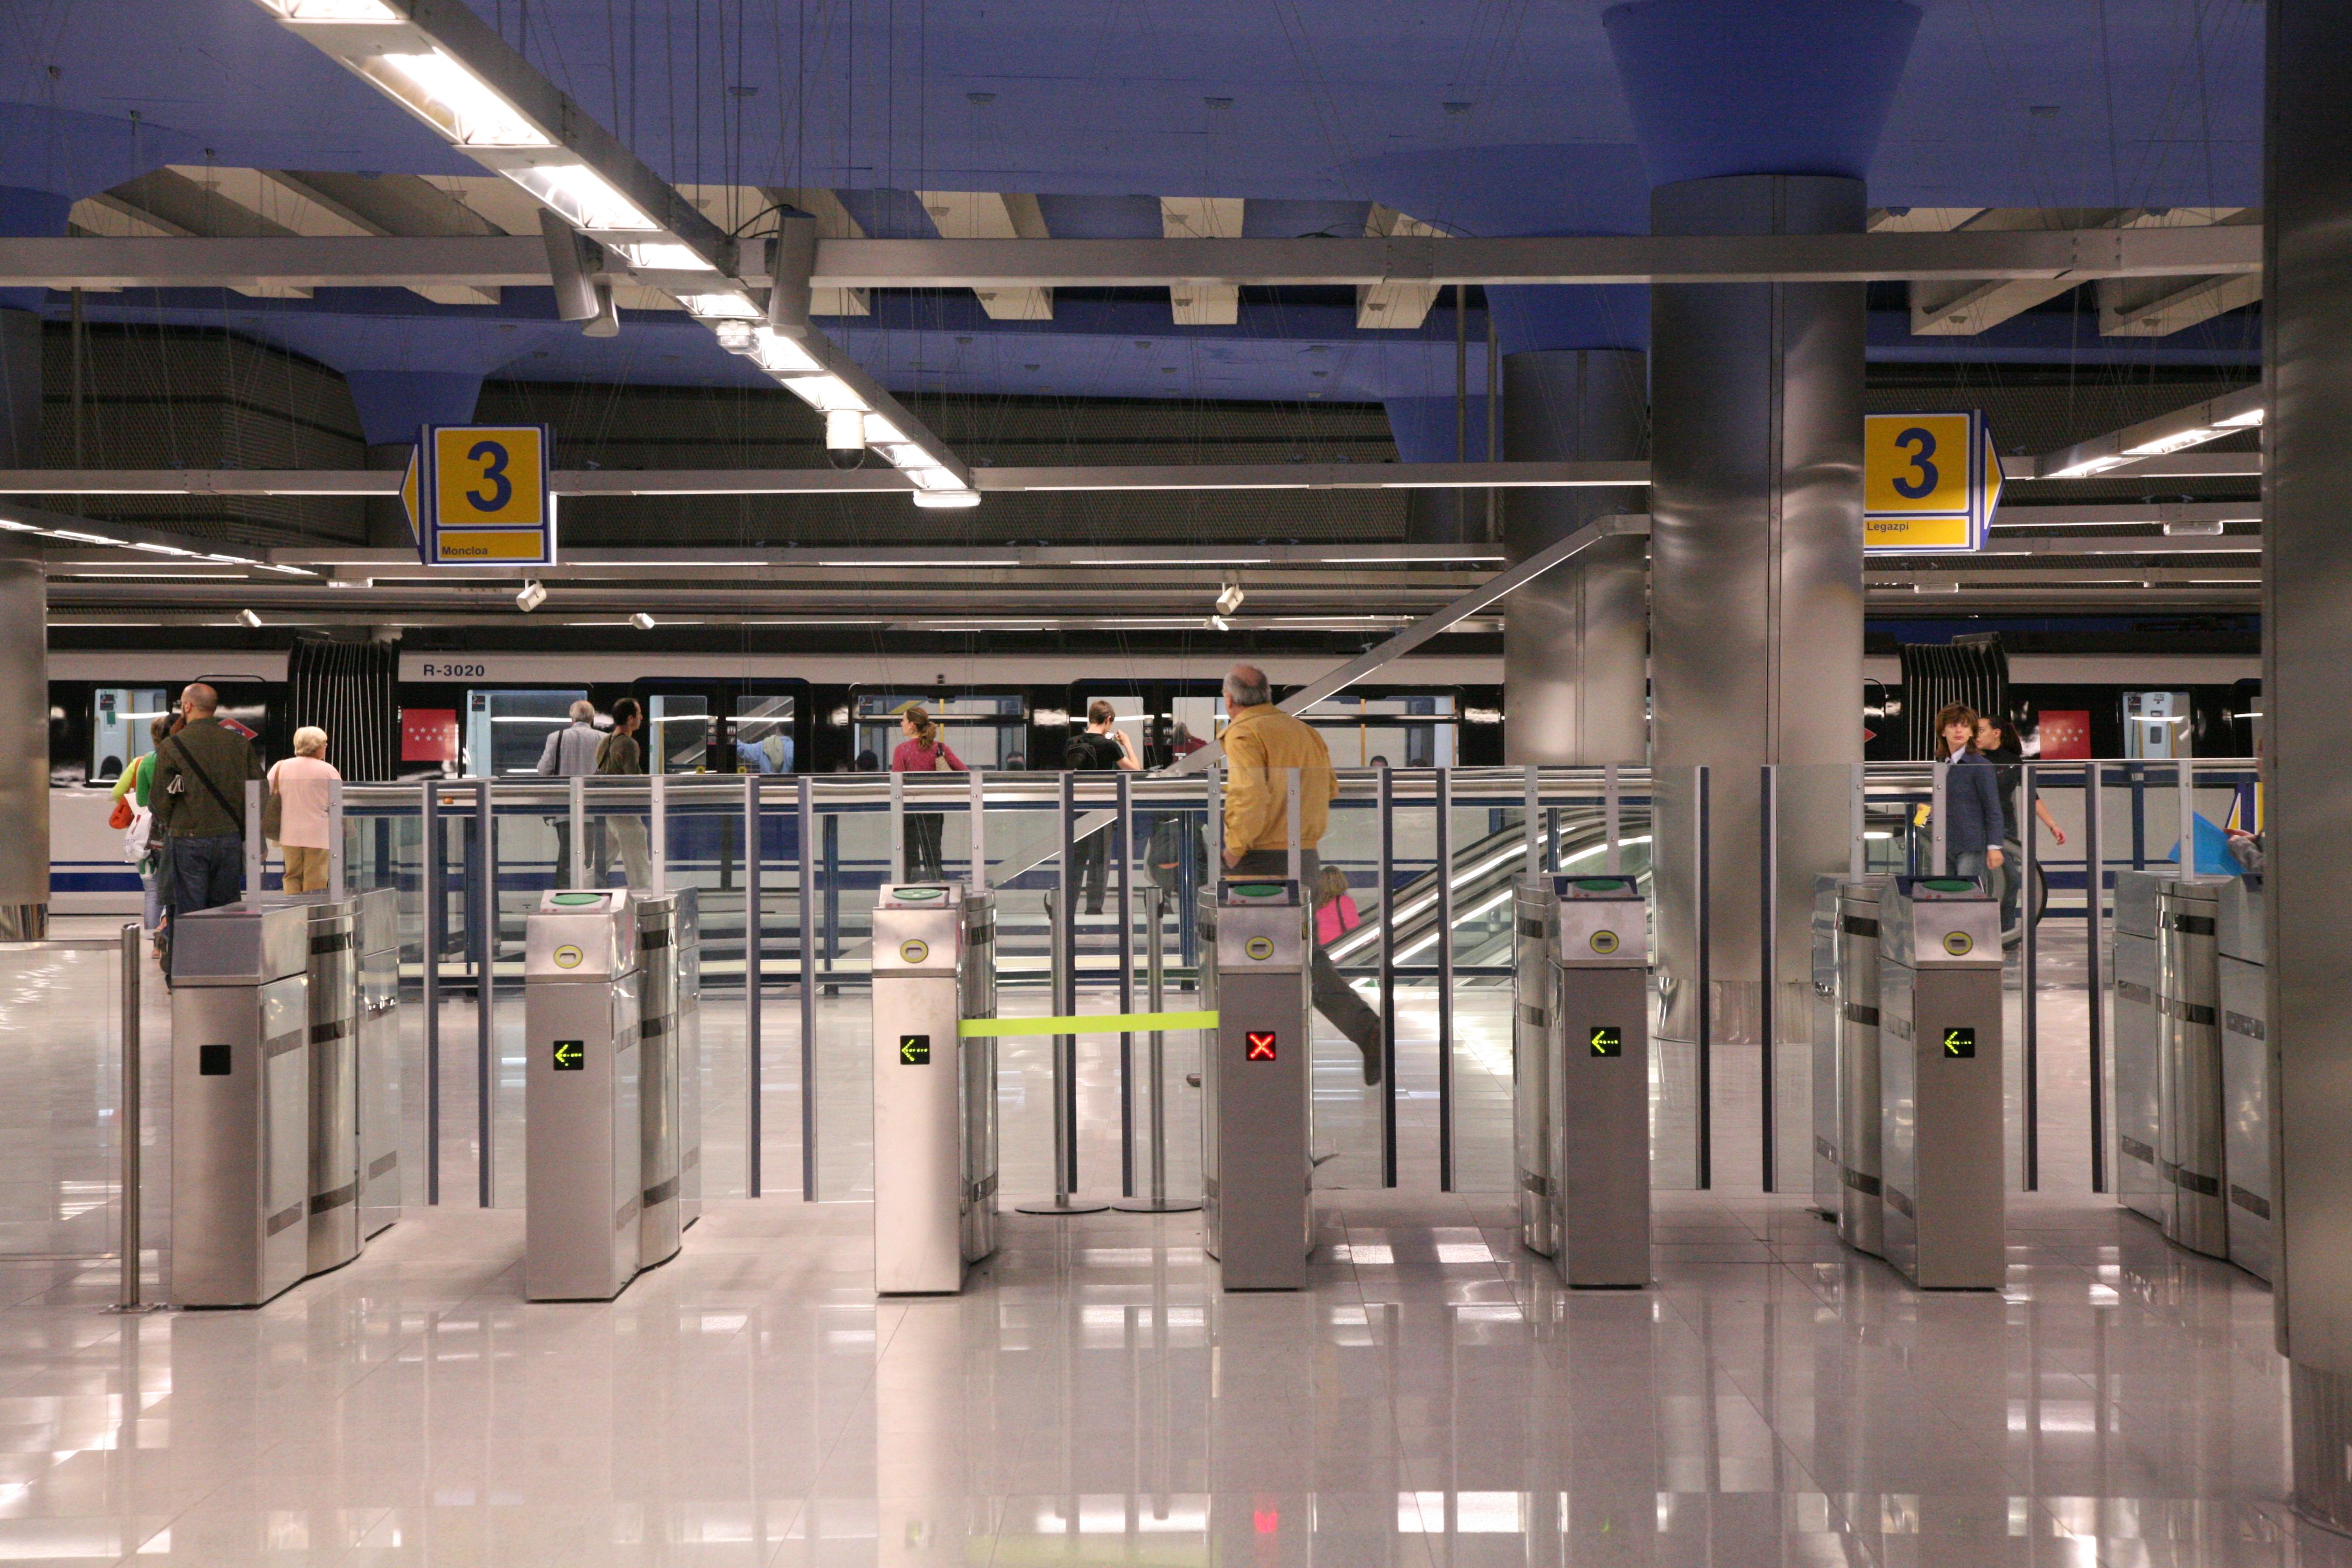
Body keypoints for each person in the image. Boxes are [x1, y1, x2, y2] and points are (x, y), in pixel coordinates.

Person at [1219, 662, 1383, 1084]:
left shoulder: (1243, 733)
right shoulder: (1302, 731)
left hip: (1259, 862)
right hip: (1305, 857)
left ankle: (1243, 1056)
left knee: (1245, 959)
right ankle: (1365, 1029)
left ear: (1231, 701)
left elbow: (1249, 794)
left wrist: (1235, 847)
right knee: (1303, 959)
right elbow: (1330, 787)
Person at [151, 682, 264, 935]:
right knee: (225, 909)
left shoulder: (173, 746)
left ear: (188, 706)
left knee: (190, 912)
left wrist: (177, 821)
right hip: (229, 840)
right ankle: (222, 966)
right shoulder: (239, 744)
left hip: (187, 839)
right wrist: (242, 829)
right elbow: (258, 789)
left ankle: (191, 969)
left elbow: (159, 800)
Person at [1973, 715, 2066, 939]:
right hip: (1978, 825)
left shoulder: (2012, 761)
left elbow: (2032, 795)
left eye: (1981, 730)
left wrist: (2052, 825)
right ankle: (1988, 934)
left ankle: (2004, 934)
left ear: (1997, 733)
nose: (1975, 736)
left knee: (2007, 881)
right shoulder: (1971, 760)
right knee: (1997, 880)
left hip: (2005, 826)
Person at [1063, 699, 1140, 915]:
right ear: (1108, 720)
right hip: (1101, 810)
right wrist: (1127, 743)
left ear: (1091, 718)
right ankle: (1094, 907)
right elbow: (1136, 770)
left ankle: (1070, 906)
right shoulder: (1109, 745)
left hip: (1076, 809)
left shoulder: (1072, 742)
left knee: (1076, 859)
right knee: (1099, 859)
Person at [110, 715, 173, 950]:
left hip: (148, 834)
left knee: (153, 889)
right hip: (177, 832)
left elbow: (123, 794)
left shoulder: (142, 762)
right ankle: (168, 936)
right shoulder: (182, 760)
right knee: (175, 887)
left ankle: (153, 943)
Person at [1933, 702, 2004, 893]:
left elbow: (1992, 807)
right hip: (1943, 841)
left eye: (1965, 726)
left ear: (1972, 733)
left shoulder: (1981, 765)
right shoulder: (1941, 765)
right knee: (1943, 896)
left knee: (1966, 895)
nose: (1959, 731)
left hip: (1971, 843)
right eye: (1953, 726)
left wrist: (1994, 846)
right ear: (1943, 731)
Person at [891, 705, 964, 881]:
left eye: (904, 720)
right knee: (933, 857)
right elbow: (964, 772)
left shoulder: (902, 750)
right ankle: (936, 893)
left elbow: (896, 784)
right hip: (933, 809)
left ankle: (910, 895)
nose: (901, 723)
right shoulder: (940, 747)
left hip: (908, 811)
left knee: (909, 858)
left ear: (912, 725)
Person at [537, 699, 604, 886]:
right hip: (593, 810)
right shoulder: (603, 738)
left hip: (564, 808)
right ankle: (590, 896)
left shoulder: (556, 737)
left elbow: (543, 770)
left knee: (567, 856)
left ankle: (565, 895)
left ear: (571, 716)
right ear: (592, 718)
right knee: (588, 858)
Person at [268, 726, 341, 894]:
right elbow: (338, 800)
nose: (326, 747)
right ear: (317, 746)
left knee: (292, 875)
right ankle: (312, 915)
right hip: (319, 832)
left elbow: (265, 795)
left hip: (288, 832)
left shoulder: (280, 767)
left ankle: (293, 913)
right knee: (316, 876)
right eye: (325, 743)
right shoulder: (328, 770)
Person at [594, 698, 652, 888]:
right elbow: (633, 779)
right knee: (638, 863)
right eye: (639, 714)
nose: (642, 717)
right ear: (630, 719)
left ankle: (581, 891)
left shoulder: (605, 740)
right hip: (624, 810)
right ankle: (643, 898)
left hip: (608, 810)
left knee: (600, 865)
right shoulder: (628, 744)